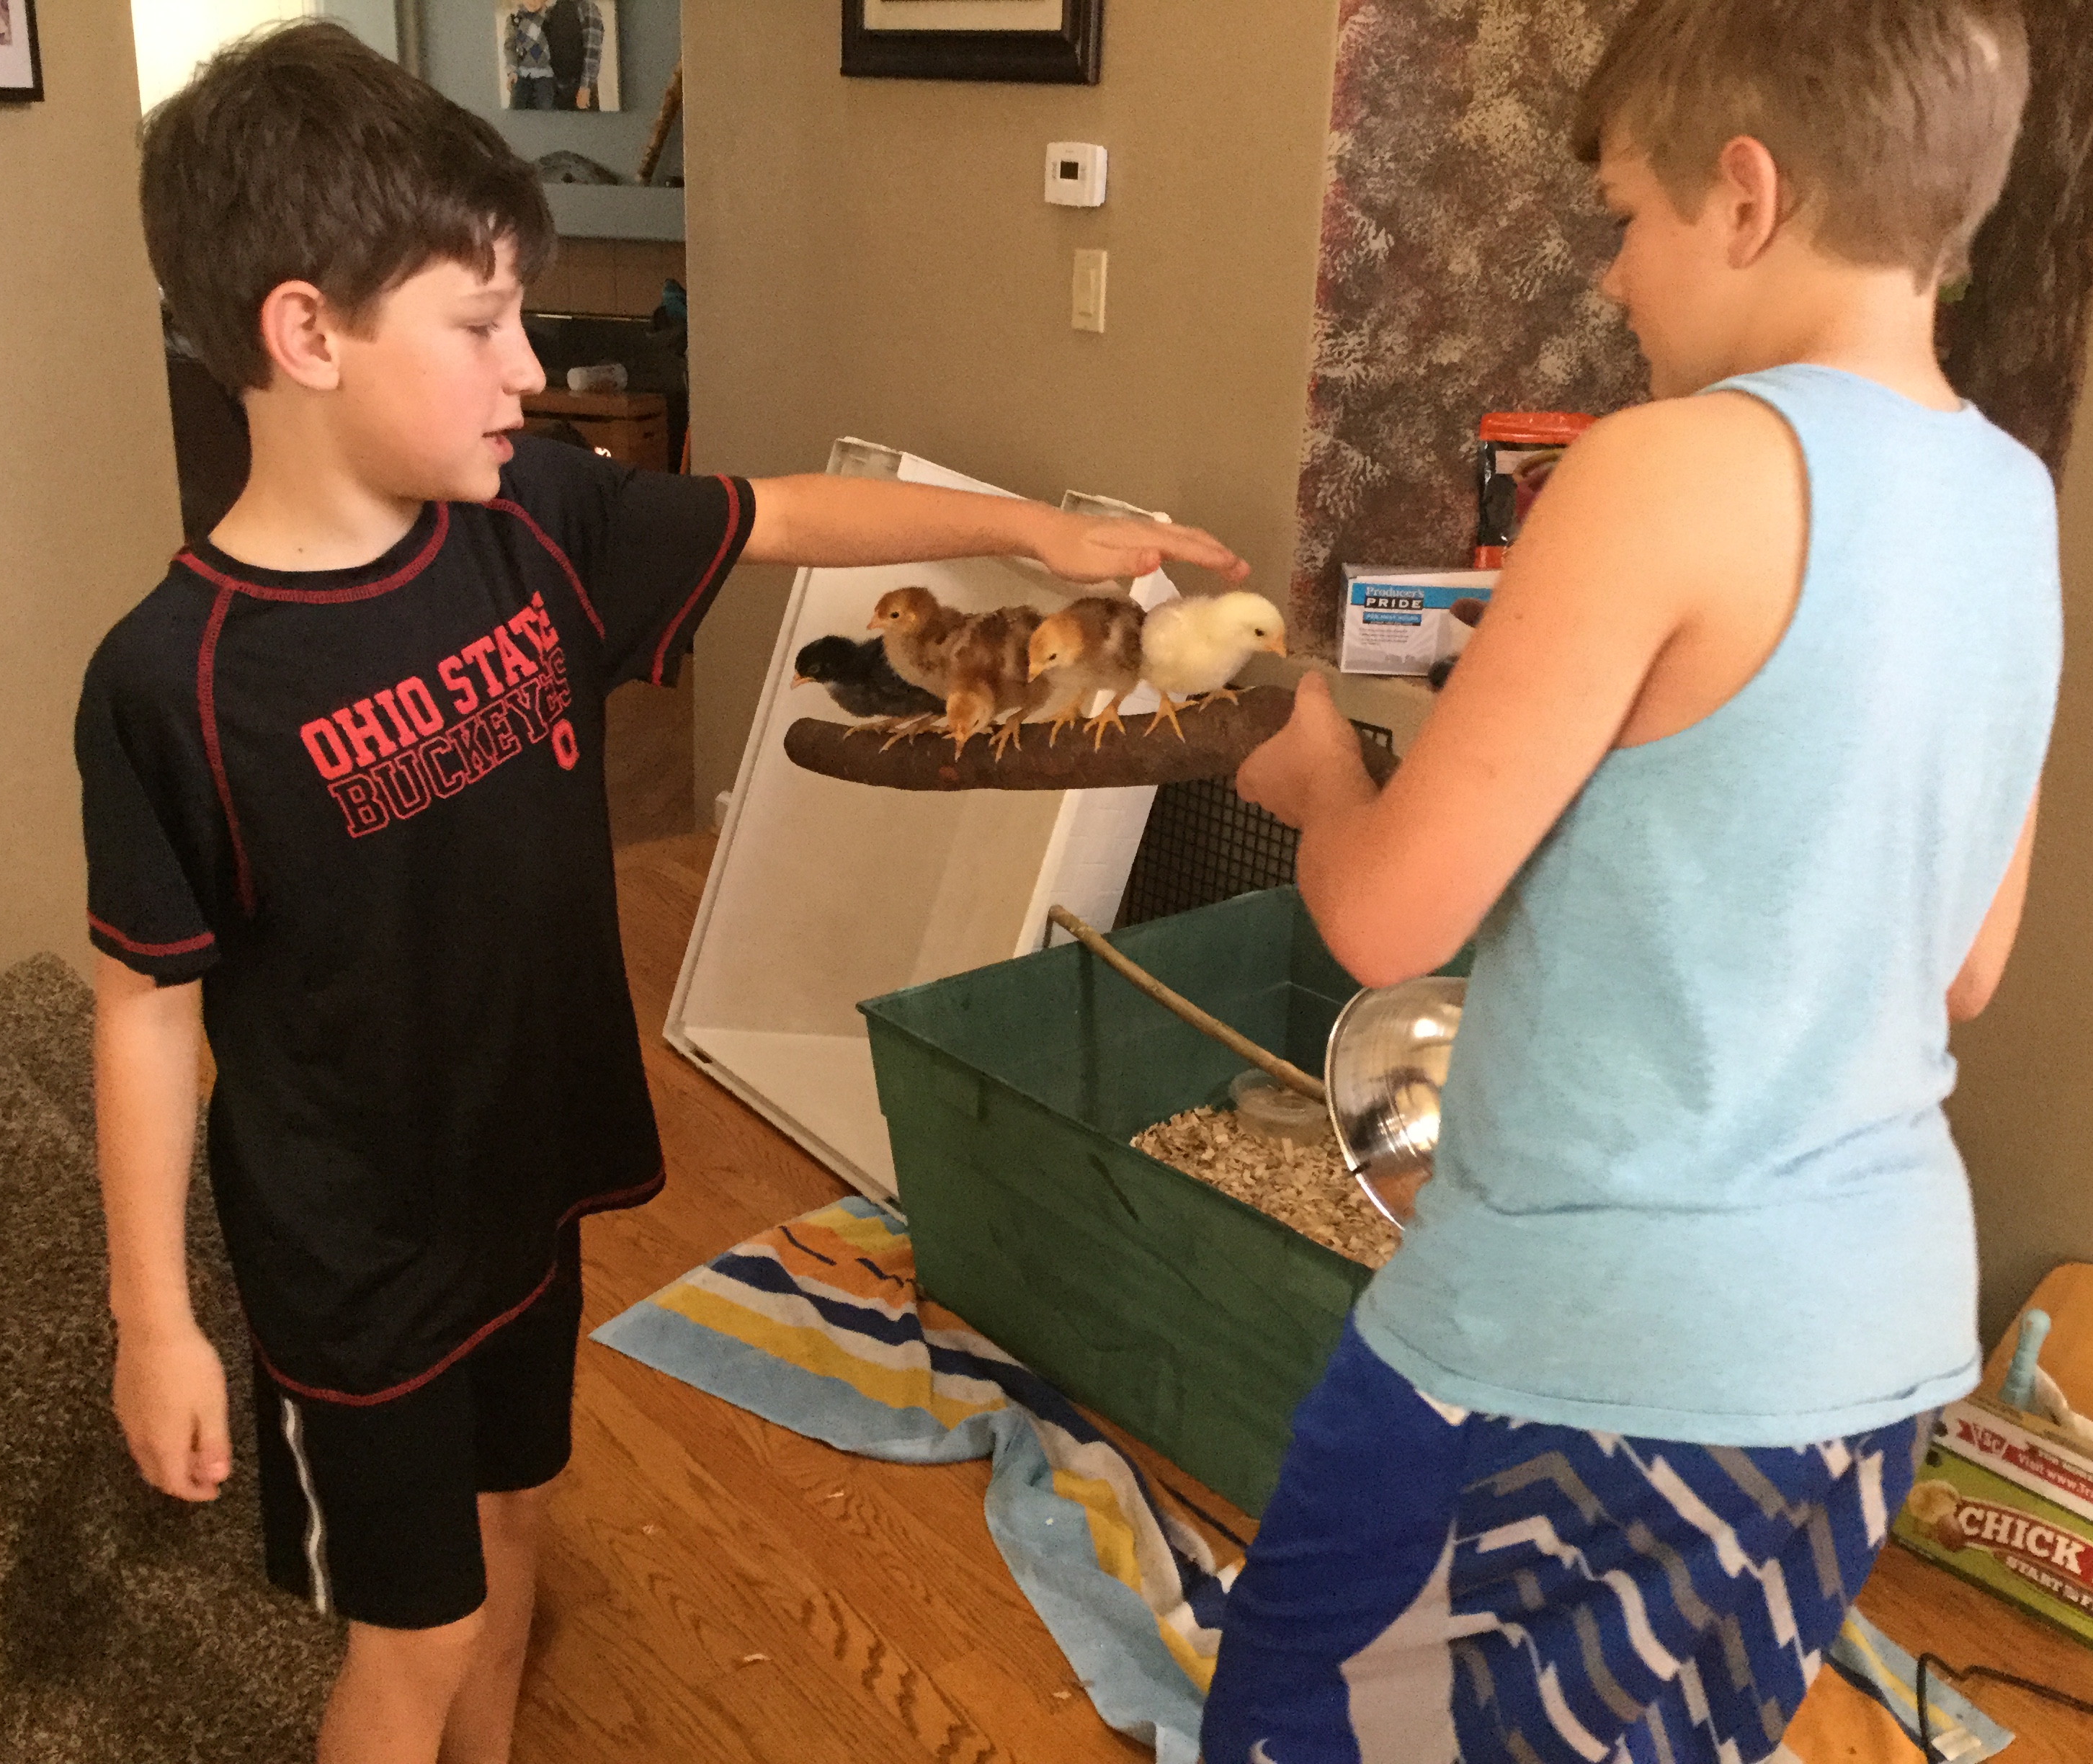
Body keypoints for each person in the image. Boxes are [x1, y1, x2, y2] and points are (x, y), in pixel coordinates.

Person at [82, 24, 1245, 1764]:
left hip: (527, 1181)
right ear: (307, 333)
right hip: (354, 1258)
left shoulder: (537, 521)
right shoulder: (170, 682)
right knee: (415, 1634)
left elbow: (775, 515)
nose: (528, 367)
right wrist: (154, 1317)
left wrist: (1032, 531)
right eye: (481, 324)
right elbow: (143, 1003)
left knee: (514, 1534)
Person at [1213, 1, 2055, 1759]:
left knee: (1308, 1723)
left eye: (1624, 217)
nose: (1613, 278)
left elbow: (1384, 919)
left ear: (1745, 195)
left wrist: (1317, 772)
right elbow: (1966, 966)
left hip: (1580, 1353)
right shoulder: (2009, 498)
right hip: (1869, 1354)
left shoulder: (1659, 469)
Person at [545, 0, 606, 112]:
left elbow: (593, 51)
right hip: (556, 90)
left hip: (580, 89)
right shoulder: (551, 11)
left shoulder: (587, 8)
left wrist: (586, 87)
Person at [503, 0, 551, 110]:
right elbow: (509, 48)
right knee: (517, 108)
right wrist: (512, 70)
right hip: (522, 73)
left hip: (546, 73)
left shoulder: (549, 17)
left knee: (546, 107)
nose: (532, 2)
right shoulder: (514, 19)